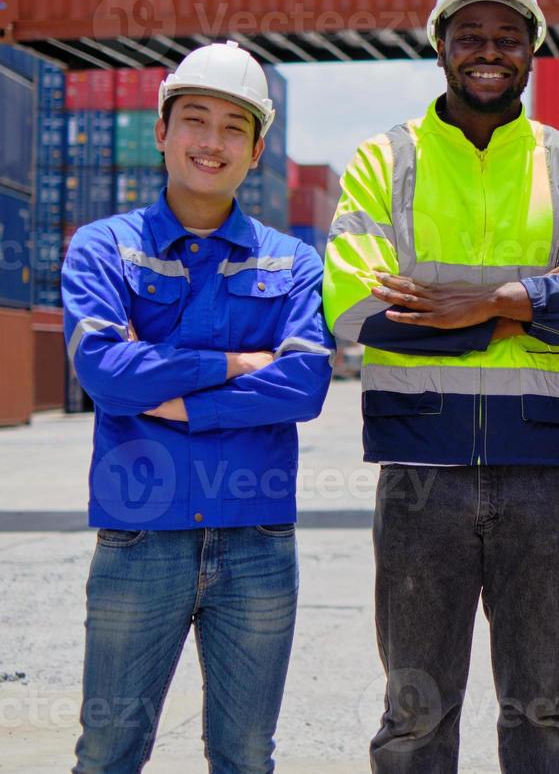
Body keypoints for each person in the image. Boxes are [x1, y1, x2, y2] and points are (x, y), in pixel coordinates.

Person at [322, 0, 559, 774]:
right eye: (470, 35)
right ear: (440, 44)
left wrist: (494, 300)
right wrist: (550, 297)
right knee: (413, 718)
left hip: (545, 474)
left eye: (506, 37)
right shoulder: (384, 163)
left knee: (546, 711)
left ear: (532, 49)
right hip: (419, 474)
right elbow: (357, 310)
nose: (488, 51)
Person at [64, 41, 334, 772]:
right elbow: (106, 374)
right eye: (195, 120)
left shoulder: (294, 261)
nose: (211, 142)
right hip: (137, 540)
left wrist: (176, 401)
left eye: (233, 128)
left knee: (246, 756)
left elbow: (306, 384)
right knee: (109, 752)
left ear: (256, 150)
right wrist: (235, 365)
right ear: (161, 131)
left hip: (257, 544)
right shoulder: (102, 250)